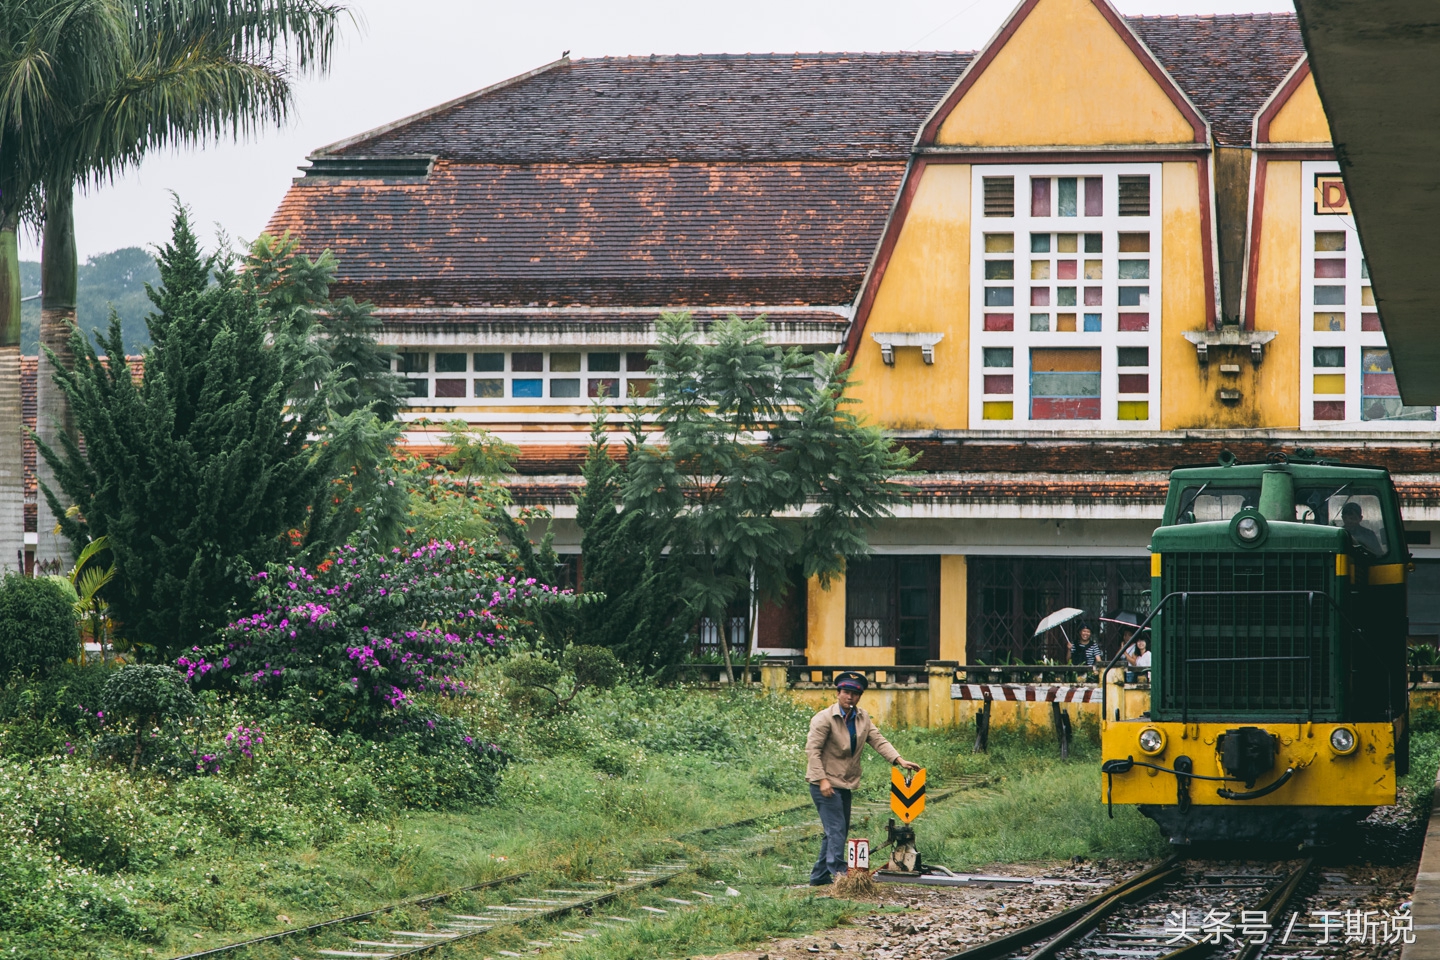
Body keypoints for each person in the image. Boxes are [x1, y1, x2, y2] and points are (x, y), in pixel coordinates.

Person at [805, 671, 921, 886]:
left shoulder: (862, 717)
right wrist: (821, 780)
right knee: (837, 830)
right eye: (846, 692)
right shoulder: (823, 719)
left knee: (835, 831)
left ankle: (819, 876)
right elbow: (813, 751)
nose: (850, 697)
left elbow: (878, 740)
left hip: (844, 783)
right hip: (825, 784)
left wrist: (899, 760)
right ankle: (842, 877)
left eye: (855, 694)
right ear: (838, 693)